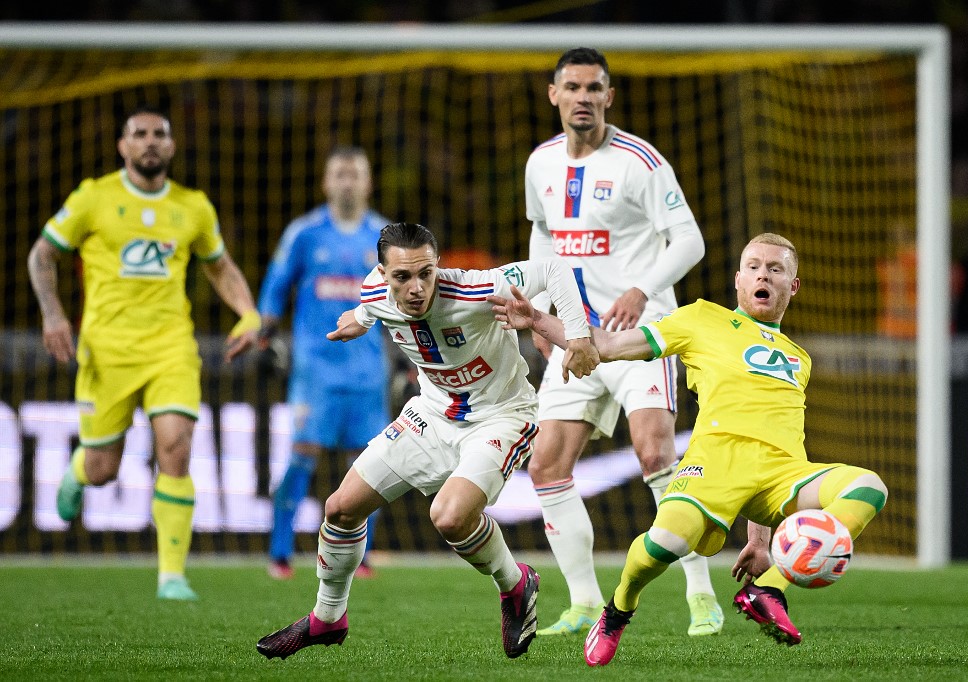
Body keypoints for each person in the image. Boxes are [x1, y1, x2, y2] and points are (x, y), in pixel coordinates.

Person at [489, 233, 889, 665]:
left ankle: (770, 587)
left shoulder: (798, 358)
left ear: (792, 286)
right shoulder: (701, 319)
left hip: (781, 474)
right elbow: (606, 345)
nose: (763, 275)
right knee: (661, 546)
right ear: (738, 280)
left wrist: (760, 539)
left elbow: (785, 432)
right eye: (754, 266)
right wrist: (537, 321)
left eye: (776, 269)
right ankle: (618, 610)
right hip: (713, 467)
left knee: (869, 488)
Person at [256, 222, 600, 661]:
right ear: (383, 274)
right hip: (431, 414)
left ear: (438, 266)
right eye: (402, 277)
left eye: (426, 274)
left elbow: (553, 269)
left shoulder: (477, 288)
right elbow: (370, 306)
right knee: (340, 509)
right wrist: (359, 320)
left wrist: (579, 335)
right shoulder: (373, 293)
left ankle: (515, 585)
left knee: (450, 516)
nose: (416, 288)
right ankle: (327, 618)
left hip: (500, 417)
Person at [523, 46, 721, 637]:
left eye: (594, 88)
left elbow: (690, 243)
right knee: (546, 465)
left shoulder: (640, 160)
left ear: (610, 97)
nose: (583, 97)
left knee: (656, 452)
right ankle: (584, 601)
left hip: (640, 334)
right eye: (573, 87)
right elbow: (542, 235)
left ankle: (700, 594)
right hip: (575, 334)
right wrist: (538, 311)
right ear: (553, 94)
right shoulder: (540, 164)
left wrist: (640, 290)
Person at [27, 106, 261, 601]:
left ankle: (171, 575)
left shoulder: (193, 206)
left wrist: (248, 312)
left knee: (175, 448)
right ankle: (77, 471)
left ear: (173, 147)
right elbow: (42, 254)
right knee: (101, 469)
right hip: (106, 352)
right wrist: (52, 315)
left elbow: (220, 267)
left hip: (171, 348)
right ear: (123, 145)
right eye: (140, 134)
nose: (150, 142)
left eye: (160, 134)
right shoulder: (94, 197)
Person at [258, 146, 390, 581]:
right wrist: (264, 335)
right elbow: (275, 288)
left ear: (368, 183)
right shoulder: (305, 233)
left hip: (369, 373)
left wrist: (411, 361)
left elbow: (411, 300)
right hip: (316, 371)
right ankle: (280, 552)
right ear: (326, 182)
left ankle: (361, 557)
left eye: (356, 174)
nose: (348, 181)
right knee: (302, 456)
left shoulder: (386, 238)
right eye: (340, 174)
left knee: (371, 467)